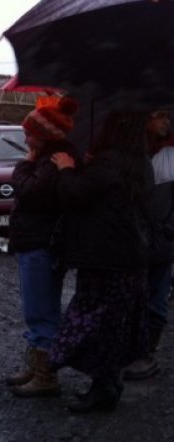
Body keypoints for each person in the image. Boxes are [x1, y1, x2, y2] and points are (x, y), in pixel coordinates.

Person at [49, 111, 153, 413]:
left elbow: (73, 194)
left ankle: (103, 387)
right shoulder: (139, 163)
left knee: (95, 321)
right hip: (130, 256)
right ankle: (108, 383)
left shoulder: (109, 163)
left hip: (104, 257)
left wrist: (67, 169)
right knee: (116, 324)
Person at [6, 97, 79, 398]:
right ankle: (37, 366)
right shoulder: (51, 158)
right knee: (38, 307)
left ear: (44, 134)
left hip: (41, 242)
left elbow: (30, 191)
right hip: (39, 241)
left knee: (40, 309)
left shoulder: (52, 161)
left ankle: (45, 375)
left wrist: (23, 166)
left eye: (30, 132)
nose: (26, 137)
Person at [124, 110, 174, 380]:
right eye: (158, 115)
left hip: (159, 241)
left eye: (167, 116)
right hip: (130, 240)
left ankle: (146, 354)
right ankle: (131, 350)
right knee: (131, 298)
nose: (166, 121)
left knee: (155, 298)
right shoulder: (129, 157)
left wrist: (169, 231)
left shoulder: (170, 157)